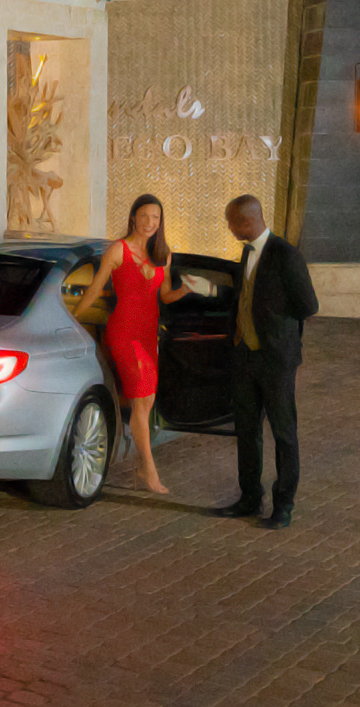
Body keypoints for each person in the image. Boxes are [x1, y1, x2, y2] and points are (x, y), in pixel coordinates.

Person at [214, 193, 319, 528]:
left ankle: (283, 505)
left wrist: (274, 325)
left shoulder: (285, 254)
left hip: (276, 360)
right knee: (246, 431)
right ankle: (249, 498)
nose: (230, 228)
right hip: (244, 357)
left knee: (283, 433)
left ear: (247, 221)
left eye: (232, 223)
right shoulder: (246, 253)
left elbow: (308, 305)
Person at [85, 194, 188, 495]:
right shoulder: (118, 249)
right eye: (144, 216)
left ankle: (140, 466)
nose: (149, 222)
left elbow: (164, 295)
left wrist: (187, 289)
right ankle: (148, 470)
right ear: (133, 217)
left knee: (147, 400)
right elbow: (95, 290)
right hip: (123, 331)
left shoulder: (163, 254)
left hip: (147, 334)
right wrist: (73, 316)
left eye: (155, 217)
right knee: (141, 400)